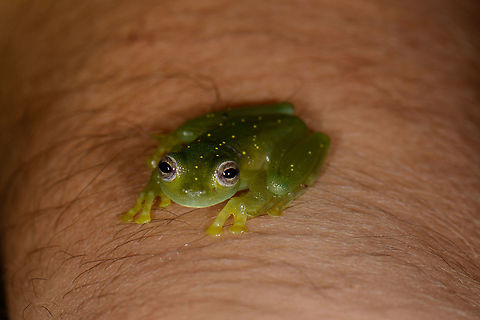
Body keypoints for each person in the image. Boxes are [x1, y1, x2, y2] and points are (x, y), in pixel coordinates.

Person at [0, 1, 479, 319]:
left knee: (280, 161)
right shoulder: (178, 166)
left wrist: (262, 195)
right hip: (219, 137)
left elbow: (281, 149)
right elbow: (175, 163)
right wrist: (154, 184)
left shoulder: (246, 168)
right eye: (167, 170)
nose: (189, 193)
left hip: (276, 139)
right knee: (189, 147)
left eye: (224, 178)